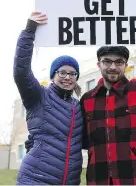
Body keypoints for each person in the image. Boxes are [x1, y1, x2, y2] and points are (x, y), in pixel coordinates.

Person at [26, 19, 136, 185]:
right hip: (99, 179)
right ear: (99, 64)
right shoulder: (87, 100)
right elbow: (76, 137)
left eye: (119, 62)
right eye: (107, 61)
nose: (113, 67)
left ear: (125, 65)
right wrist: (40, 141)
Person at [15, 11, 84, 185]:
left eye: (72, 73)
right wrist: (29, 31)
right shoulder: (39, 96)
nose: (67, 77)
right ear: (53, 75)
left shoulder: (78, 107)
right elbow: (21, 72)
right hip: (35, 179)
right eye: (62, 72)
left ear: (76, 77)